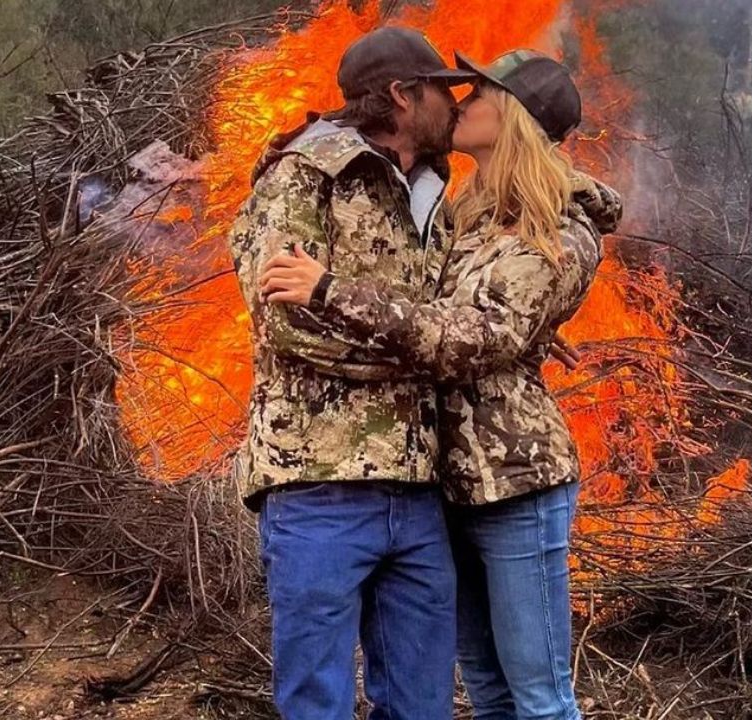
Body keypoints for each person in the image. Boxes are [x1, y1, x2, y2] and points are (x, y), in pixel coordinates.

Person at [258, 49, 622, 720]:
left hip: (517, 481)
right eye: (456, 91)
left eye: (476, 92)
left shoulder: (562, 226)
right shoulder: (471, 212)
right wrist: (516, 338)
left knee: (540, 698)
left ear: (511, 117)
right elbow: (449, 314)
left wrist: (331, 293)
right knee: (486, 690)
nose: (460, 103)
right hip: (448, 482)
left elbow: (480, 336)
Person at [226, 26, 476, 720]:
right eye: (442, 91)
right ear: (402, 94)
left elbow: (452, 321)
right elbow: (288, 323)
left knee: (423, 706)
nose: (455, 106)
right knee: (318, 705)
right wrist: (422, 350)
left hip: (419, 490)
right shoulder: (304, 174)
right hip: (317, 488)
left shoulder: (431, 192)